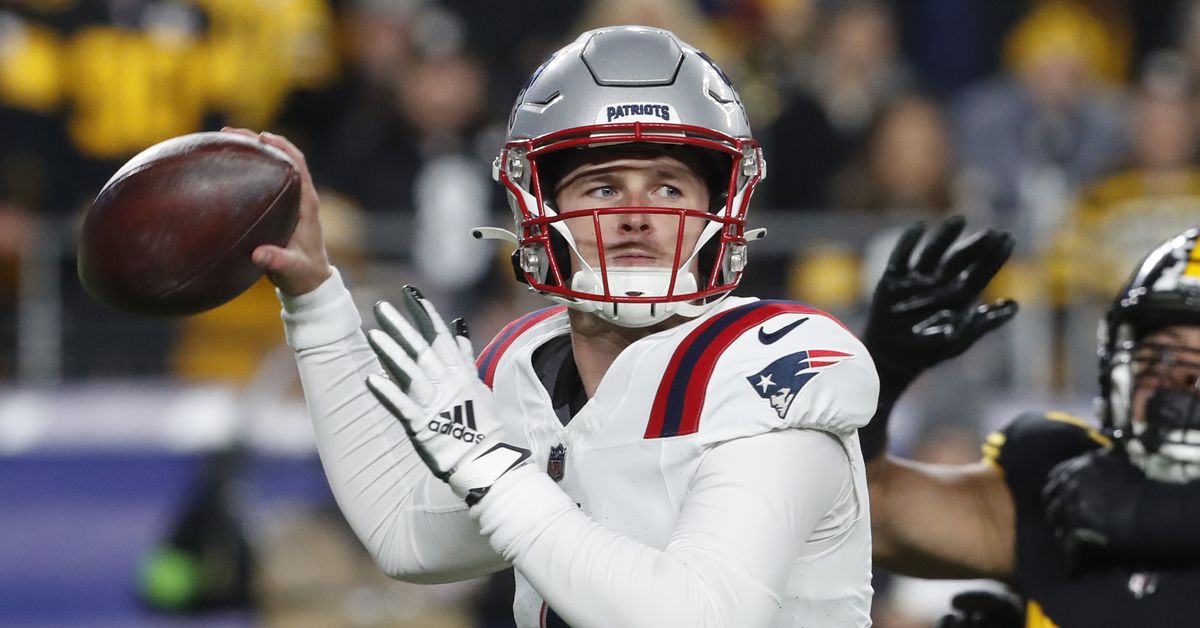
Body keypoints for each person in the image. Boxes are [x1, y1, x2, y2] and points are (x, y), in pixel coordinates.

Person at [237, 26, 879, 627]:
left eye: (668, 188)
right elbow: (407, 537)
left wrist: (490, 467)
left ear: (721, 206)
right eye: (602, 188)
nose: (636, 215)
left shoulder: (768, 367)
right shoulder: (528, 368)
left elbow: (698, 614)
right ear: (538, 208)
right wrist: (314, 299)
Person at [861, 217, 1200, 627]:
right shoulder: (1067, 487)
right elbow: (867, 512)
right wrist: (878, 376)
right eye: (1162, 353)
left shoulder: (1089, 498)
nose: (1185, 379)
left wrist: (1157, 513)